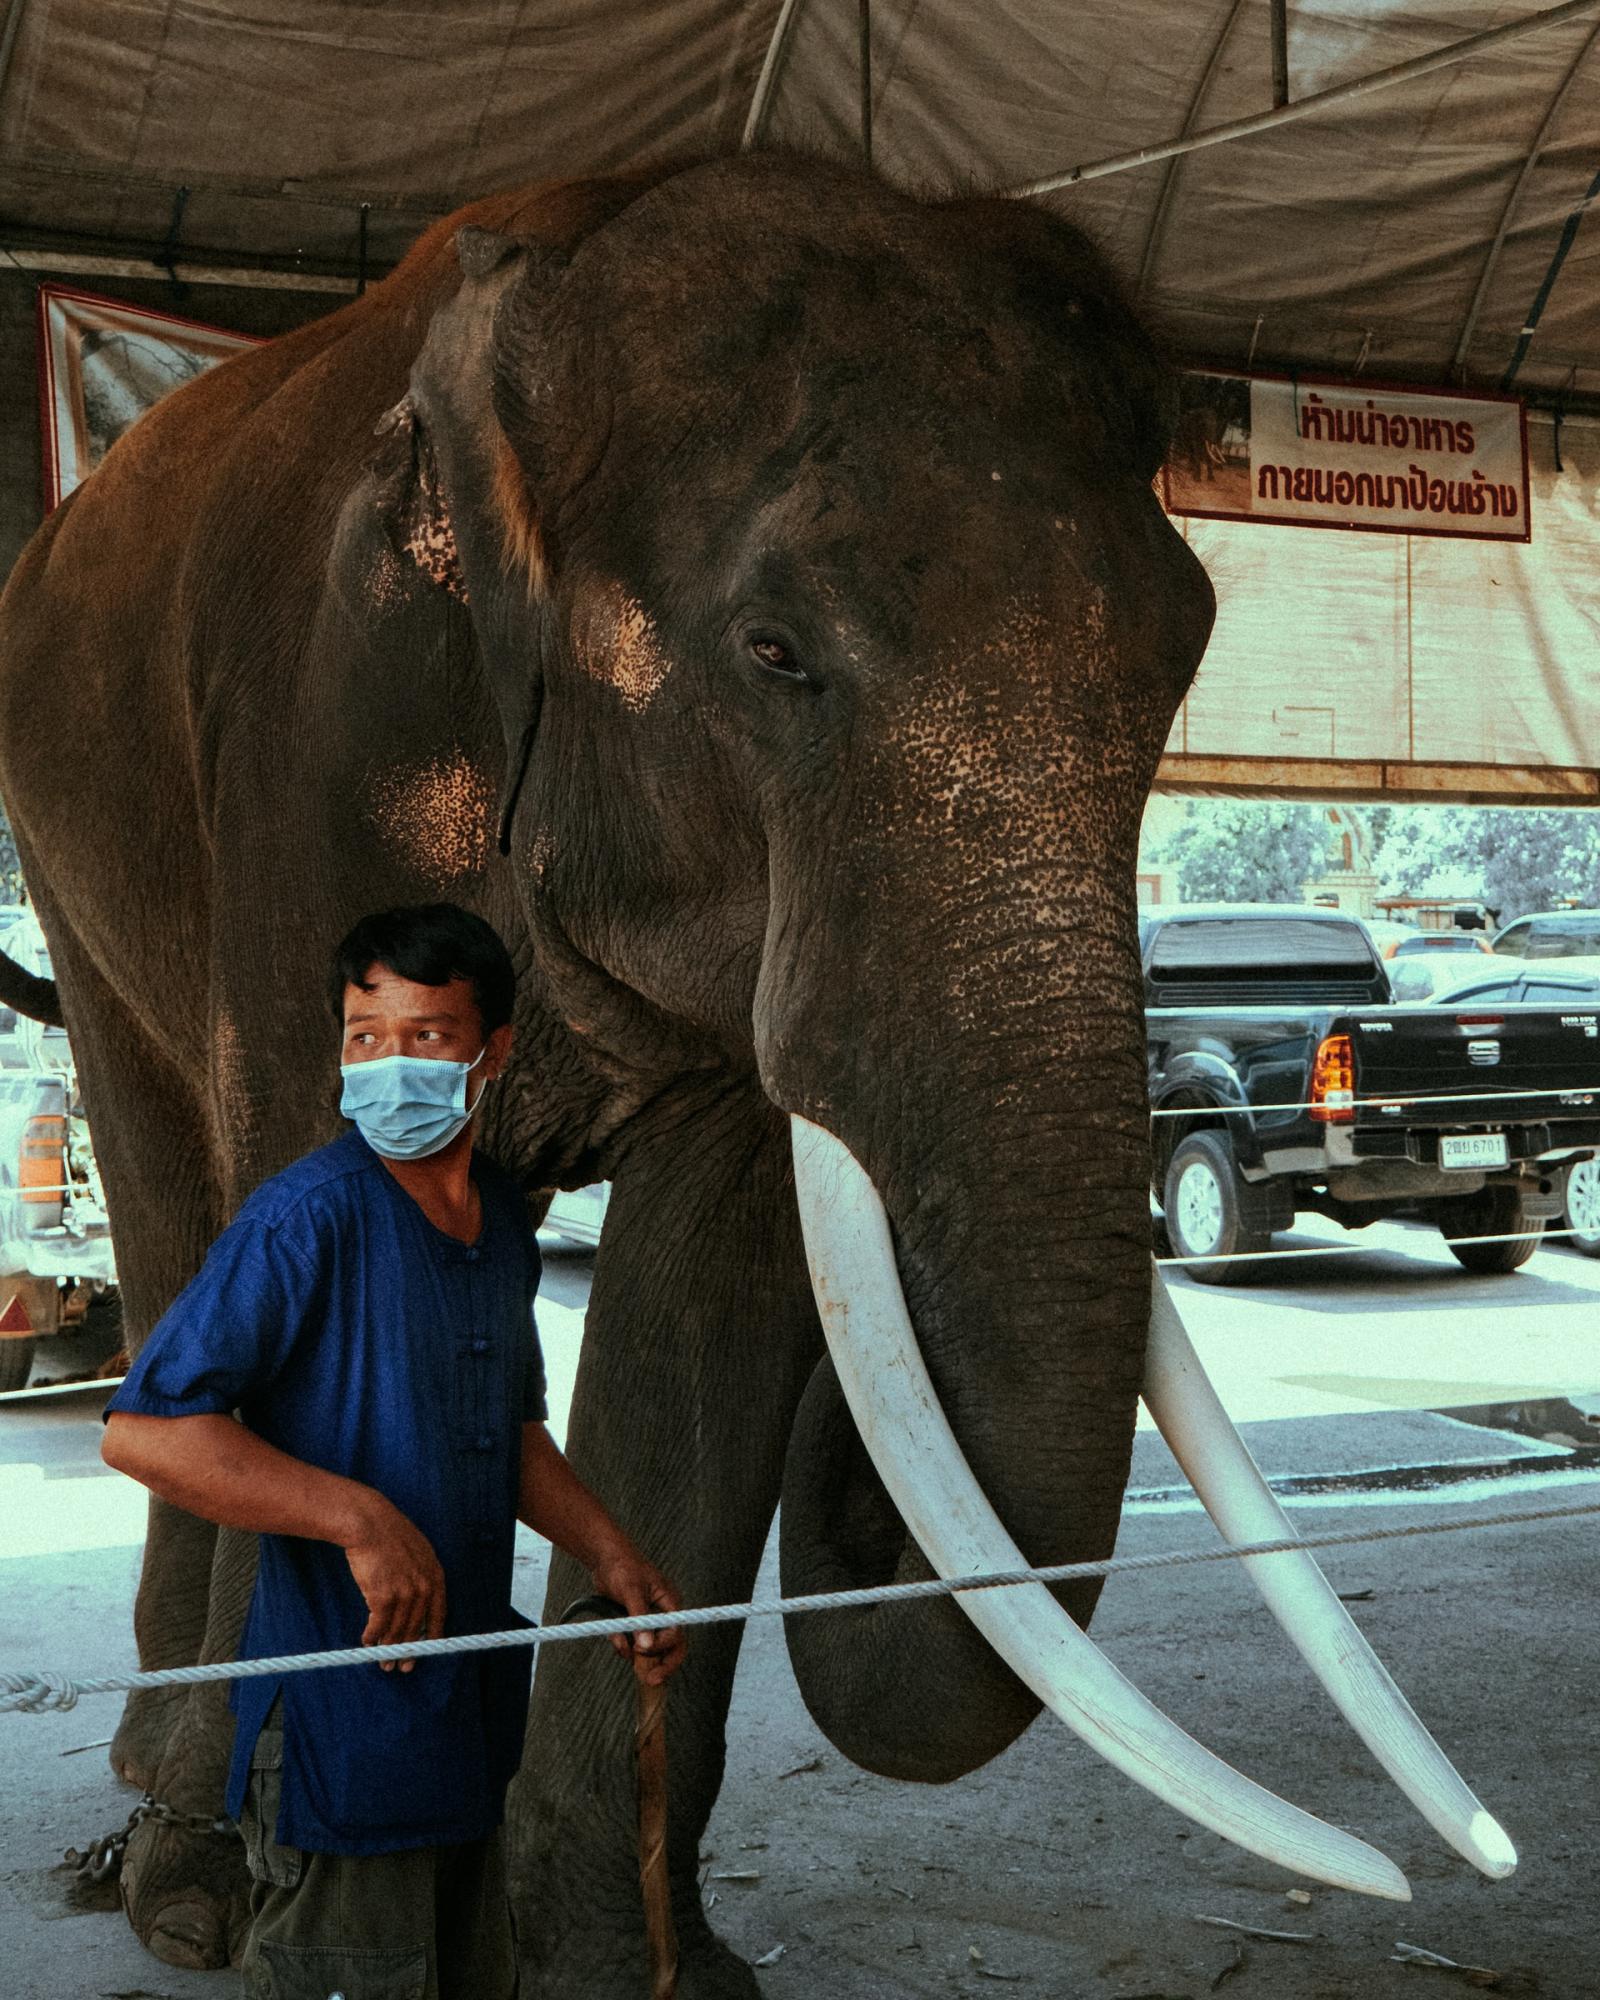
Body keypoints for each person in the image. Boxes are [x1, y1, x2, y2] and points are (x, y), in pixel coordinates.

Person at [101, 902, 685, 2000]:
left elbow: (504, 1428)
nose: (388, 1066)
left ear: (492, 1054)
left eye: (425, 1036)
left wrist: (611, 1555)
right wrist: (355, 1517)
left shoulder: (501, 1223)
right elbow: (145, 1431)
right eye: (364, 1037)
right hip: (340, 1735)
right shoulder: (305, 1219)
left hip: (463, 1716)